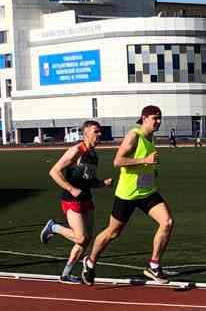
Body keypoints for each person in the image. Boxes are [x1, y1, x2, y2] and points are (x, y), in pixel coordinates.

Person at [81, 104, 174, 286]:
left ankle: (154, 265)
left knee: (167, 222)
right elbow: (118, 161)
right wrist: (145, 160)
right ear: (144, 118)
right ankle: (90, 262)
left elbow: (144, 164)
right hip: (128, 194)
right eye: (155, 118)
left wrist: (151, 170)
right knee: (112, 233)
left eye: (160, 118)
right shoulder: (134, 135)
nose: (158, 121)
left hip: (147, 192)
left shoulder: (151, 136)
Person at [39, 120, 112, 283]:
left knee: (86, 240)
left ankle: (66, 274)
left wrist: (103, 183)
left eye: (100, 131)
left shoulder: (93, 155)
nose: (99, 134)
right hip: (71, 199)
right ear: (86, 133)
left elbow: (90, 180)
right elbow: (54, 172)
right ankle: (53, 227)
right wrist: (71, 189)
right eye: (96, 131)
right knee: (80, 238)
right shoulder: (76, 151)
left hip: (86, 198)